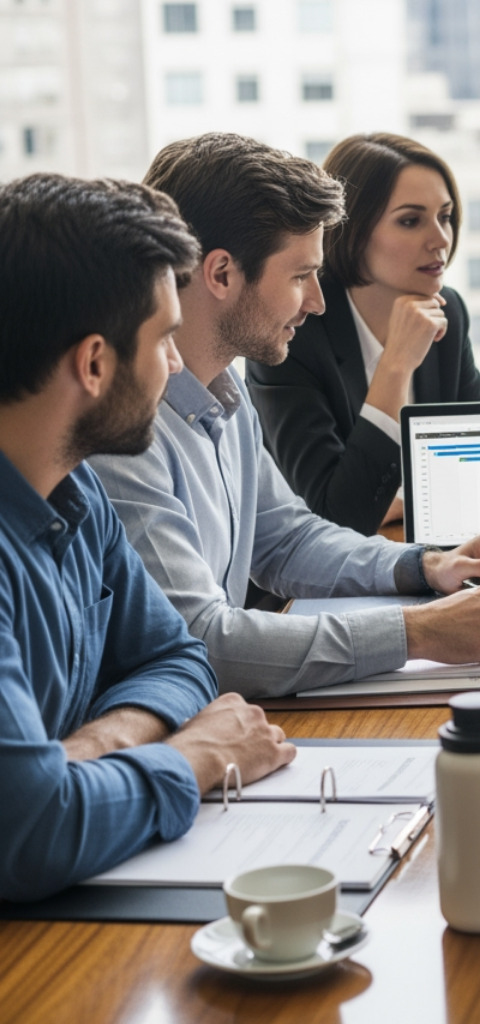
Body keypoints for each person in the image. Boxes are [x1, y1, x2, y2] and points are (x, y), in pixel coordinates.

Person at [90, 134, 480, 700]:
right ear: (222, 274)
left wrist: (426, 566)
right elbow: (203, 639)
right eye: (301, 276)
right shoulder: (123, 433)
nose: (317, 302)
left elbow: (286, 539)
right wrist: (418, 632)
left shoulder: (225, 395)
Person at [0, 173, 294, 902]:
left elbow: (178, 655)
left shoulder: (75, 488)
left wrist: (94, 747)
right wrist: (194, 757)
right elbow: (30, 829)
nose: (174, 363)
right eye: (163, 337)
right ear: (94, 363)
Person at [247, 132, 480, 536]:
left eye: (444, 216)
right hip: (314, 589)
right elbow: (335, 516)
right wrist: (396, 365)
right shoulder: (293, 331)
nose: (441, 239)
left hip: (423, 550)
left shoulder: (449, 312)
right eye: (411, 220)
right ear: (351, 230)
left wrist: (399, 502)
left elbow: (479, 473)